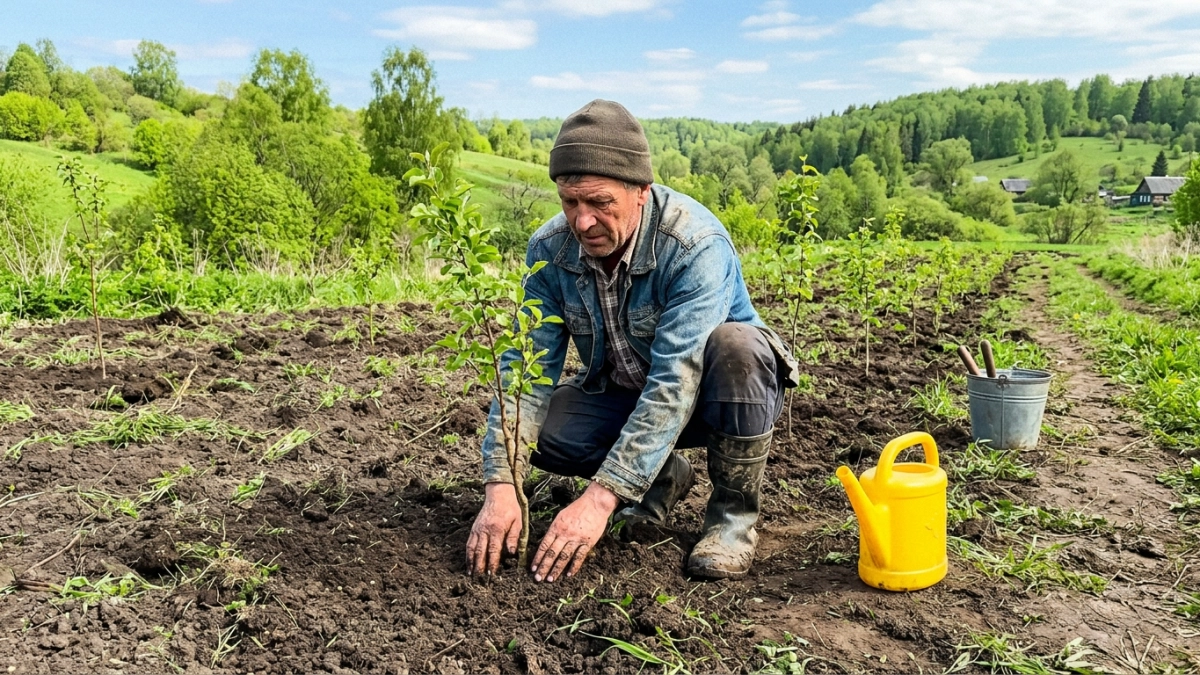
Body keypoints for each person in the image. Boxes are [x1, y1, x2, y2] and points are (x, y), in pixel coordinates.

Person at [464, 99, 798, 583]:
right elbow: (525, 370)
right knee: (551, 430)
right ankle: (662, 477)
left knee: (739, 345)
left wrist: (599, 500)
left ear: (641, 191)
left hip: (716, 399)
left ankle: (732, 519)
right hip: (624, 392)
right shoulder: (549, 251)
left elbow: (675, 382)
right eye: (570, 202)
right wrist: (501, 484)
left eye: (600, 203)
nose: (582, 222)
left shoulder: (692, 245)